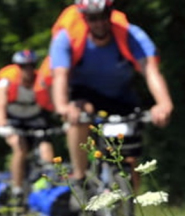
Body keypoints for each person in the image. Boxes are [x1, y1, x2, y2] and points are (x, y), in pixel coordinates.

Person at [46, 0, 173, 189]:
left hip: (121, 95)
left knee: (129, 158)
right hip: (84, 94)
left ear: (111, 14)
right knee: (79, 116)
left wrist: (164, 103)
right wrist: (63, 106)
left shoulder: (131, 34)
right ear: (84, 18)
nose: (99, 23)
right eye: (92, 18)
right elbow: (60, 75)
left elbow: (150, 70)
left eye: (104, 16)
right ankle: (80, 178)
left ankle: (128, 211)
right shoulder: (67, 38)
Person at [0, 50, 57, 198]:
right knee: (20, 147)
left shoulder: (41, 81)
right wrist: (2, 125)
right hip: (14, 120)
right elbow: (0, 104)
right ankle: (17, 188)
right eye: (23, 66)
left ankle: (47, 183)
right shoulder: (7, 81)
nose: (28, 70)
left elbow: (52, 101)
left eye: (31, 66)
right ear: (18, 67)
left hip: (35, 118)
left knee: (46, 146)